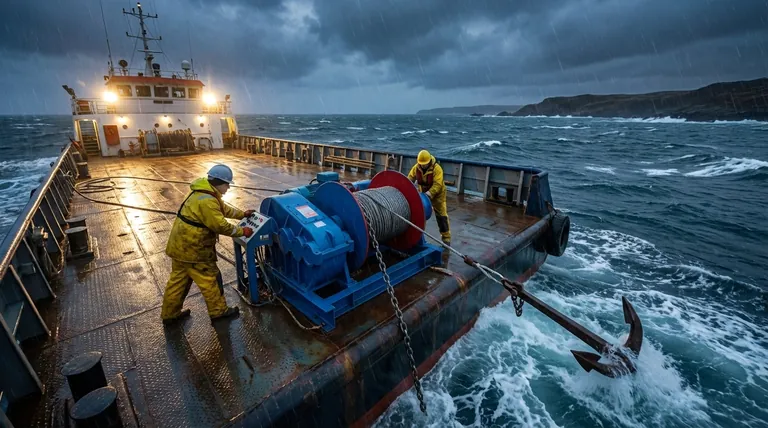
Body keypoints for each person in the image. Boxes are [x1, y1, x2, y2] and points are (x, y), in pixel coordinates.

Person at [161, 164, 255, 325]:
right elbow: (220, 225)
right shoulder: (208, 201)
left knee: (178, 281)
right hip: (194, 250)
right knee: (210, 279)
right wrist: (242, 231)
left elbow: (223, 209)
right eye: (227, 184)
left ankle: (170, 314)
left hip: (179, 247)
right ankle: (219, 312)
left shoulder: (203, 193)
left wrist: (242, 214)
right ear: (219, 182)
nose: (228, 188)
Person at [408, 149, 451, 245]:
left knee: (441, 216)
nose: (423, 165)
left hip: (438, 196)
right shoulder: (416, 168)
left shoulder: (437, 169)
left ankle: (446, 238)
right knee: (421, 215)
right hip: (423, 195)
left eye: (425, 164)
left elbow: (438, 184)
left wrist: (429, 193)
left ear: (429, 162)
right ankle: (419, 236)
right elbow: (410, 178)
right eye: (421, 164)